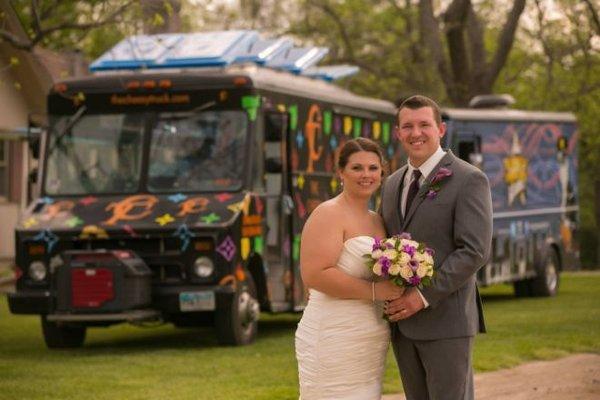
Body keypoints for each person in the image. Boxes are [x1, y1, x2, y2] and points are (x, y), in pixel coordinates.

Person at [380, 95, 493, 400]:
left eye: (424, 125)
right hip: (402, 326)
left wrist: (422, 296)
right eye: (407, 126)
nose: (416, 132)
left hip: (447, 321)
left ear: (441, 129)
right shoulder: (391, 184)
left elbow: (474, 251)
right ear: (398, 133)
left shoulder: (469, 179)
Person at [295, 137, 404, 399]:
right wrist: (378, 292)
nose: (366, 175)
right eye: (357, 168)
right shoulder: (328, 213)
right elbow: (315, 275)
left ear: (381, 173)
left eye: (373, 168)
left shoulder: (378, 220)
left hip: (370, 335)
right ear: (340, 172)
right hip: (334, 332)